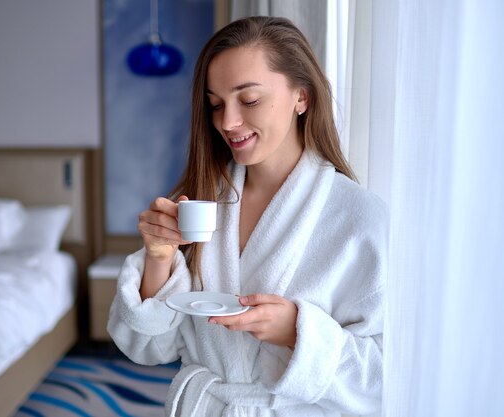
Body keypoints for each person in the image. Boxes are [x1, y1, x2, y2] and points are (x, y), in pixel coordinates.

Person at [107, 16, 387, 417]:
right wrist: (158, 258)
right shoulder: (198, 203)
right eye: (216, 104)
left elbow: (390, 379)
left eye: (249, 100)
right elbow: (148, 347)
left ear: (301, 98)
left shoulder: (361, 219)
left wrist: (299, 333)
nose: (227, 122)